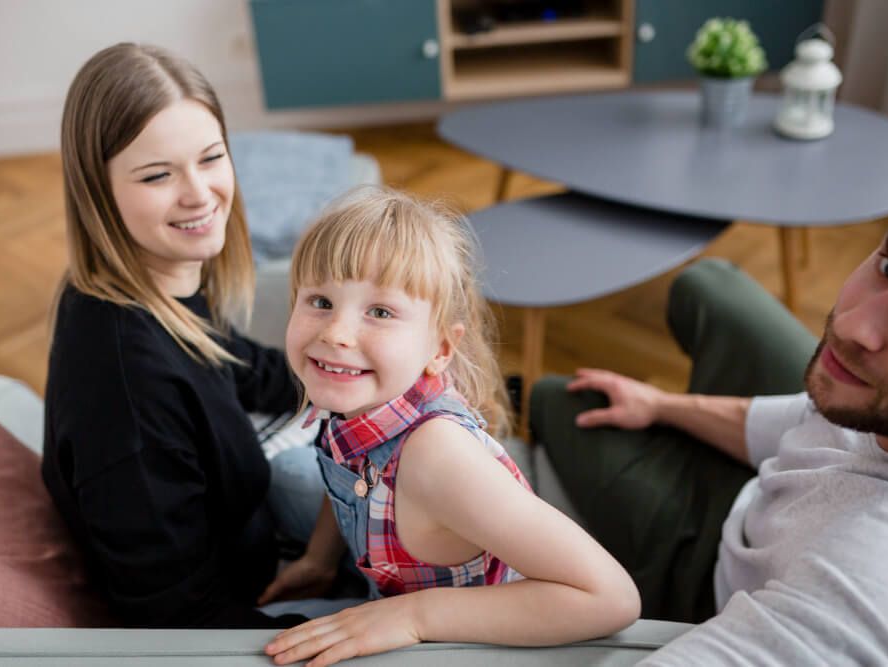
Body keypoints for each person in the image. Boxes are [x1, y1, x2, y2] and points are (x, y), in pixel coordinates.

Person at [260, 187, 640, 666]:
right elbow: (349, 474)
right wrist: (318, 561)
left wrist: (412, 617)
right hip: (392, 594)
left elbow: (612, 597)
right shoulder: (352, 400)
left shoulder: (438, 457)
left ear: (439, 349)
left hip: (467, 643)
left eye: (379, 312)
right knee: (286, 474)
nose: (335, 333)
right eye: (320, 300)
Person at [41, 43, 325, 629]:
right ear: (99, 192)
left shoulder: (147, 280)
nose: (199, 194)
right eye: (156, 175)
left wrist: (368, 374)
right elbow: (179, 616)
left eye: (211, 157)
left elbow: (233, 361)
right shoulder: (127, 389)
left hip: (258, 538)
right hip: (240, 614)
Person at [529, 229, 888, 664]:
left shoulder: (868, 578)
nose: (852, 325)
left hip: (713, 577)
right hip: (772, 495)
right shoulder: (863, 394)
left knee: (558, 399)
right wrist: (659, 405)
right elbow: (806, 415)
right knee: (706, 284)